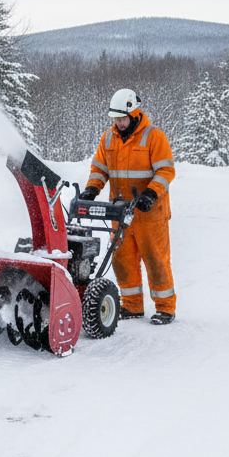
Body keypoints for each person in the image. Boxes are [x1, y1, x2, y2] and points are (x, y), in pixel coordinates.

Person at [78, 88, 176, 325]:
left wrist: (151, 193)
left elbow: (166, 170)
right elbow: (100, 169)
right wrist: (92, 189)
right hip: (120, 212)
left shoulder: (154, 136)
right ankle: (132, 306)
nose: (119, 123)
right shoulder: (108, 138)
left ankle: (165, 308)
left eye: (122, 118)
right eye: (116, 119)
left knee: (156, 260)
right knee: (122, 260)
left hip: (149, 213)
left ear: (134, 113)